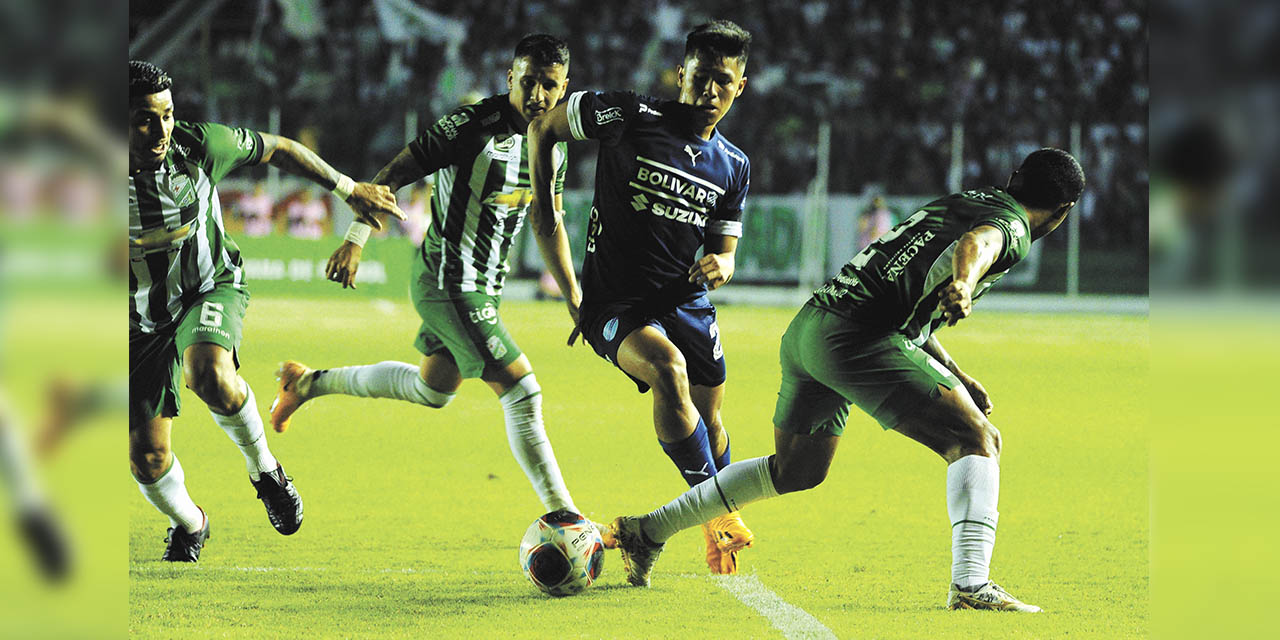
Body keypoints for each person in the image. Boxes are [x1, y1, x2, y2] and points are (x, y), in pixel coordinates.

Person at [606, 148, 1085, 613]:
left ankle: (645, 532)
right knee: (977, 439)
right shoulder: (1014, 226)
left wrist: (957, 374)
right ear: (1062, 211)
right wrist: (964, 282)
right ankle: (971, 584)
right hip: (856, 337)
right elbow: (977, 246)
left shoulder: (969, 200)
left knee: (797, 470)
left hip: (812, 328)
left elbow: (908, 303)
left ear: (1015, 175)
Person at [270, 35, 587, 522]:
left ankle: (307, 383)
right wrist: (356, 238)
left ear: (563, 89)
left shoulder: (554, 148)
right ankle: (567, 518)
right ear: (510, 79)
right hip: (449, 278)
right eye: (528, 82)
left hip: (485, 287)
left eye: (549, 85)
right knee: (522, 391)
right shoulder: (470, 127)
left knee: (433, 389)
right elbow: (392, 174)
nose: (537, 95)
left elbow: (548, 223)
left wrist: (573, 295)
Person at [128, 60, 404, 562]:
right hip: (138, 319)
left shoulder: (199, 146)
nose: (161, 129)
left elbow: (278, 147)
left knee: (208, 372)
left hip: (208, 288)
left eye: (167, 115)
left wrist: (348, 188)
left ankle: (266, 472)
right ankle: (190, 523)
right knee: (147, 460)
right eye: (146, 118)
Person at [527, 20, 754, 574]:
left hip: (687, 301)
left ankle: (658, 533)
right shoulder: (628, 114)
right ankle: (718, 512)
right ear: (682, 75)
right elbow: (544, 128)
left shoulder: (734, 165)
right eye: (700, 78)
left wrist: (722, 263)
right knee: (667, 370)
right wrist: (546, 208)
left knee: (713, 421)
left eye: (723, 82)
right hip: (615, 302)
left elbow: (724, 244)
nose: (710, 93)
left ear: (740, 87)